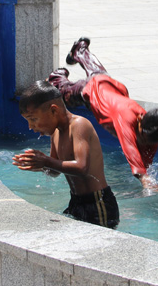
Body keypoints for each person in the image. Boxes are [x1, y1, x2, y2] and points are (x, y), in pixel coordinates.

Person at [47, 37, 158, 191]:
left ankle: (80, 50)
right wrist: (143, 177)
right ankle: (58, 75)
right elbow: (129, 146)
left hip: (110, 86)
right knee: (65, 94)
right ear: (139, 120)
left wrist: (150, 176)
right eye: (141, 136)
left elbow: (147, 153)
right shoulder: (126, 117)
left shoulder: (152, 127)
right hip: (91, 91)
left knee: (97, 72)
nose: (142, 140)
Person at [13, 81, 119, 228]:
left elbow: (82, 167)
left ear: (54, 111)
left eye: (33, 119)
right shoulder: (55, 132)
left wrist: (45, 161)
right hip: (76, 201)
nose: (31, 127)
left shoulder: (79, 125)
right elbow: (55, 171)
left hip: (97, 203)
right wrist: (38, 165)